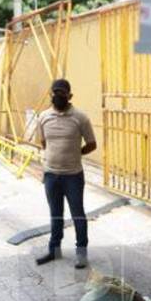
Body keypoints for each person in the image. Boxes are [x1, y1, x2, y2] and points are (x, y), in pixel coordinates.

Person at [34, 78, 96, 269]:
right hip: (51, 175)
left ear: (69, 96)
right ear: (51, 95)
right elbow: (43, 143)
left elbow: (92, 144)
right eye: (55, 93)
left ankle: (82, 254)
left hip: (73, 176)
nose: (58, 96)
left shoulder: (81, 118)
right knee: (55, 214)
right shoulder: (43, 117)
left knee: (78, 214)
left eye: (62, 93)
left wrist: (76, 154)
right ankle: (54, 250)